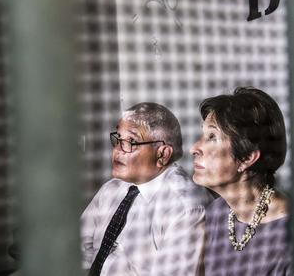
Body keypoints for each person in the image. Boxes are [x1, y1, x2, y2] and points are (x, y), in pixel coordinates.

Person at [81, 102, 212, 276]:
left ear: (162, 154)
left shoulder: (185, 207)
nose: (118, 150)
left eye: (132, 142)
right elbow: (80, 250)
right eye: (118, 138)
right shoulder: (112, 188)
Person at [190, 87, 292, 276]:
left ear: (247, 157)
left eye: (212, 137)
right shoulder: (216, 213)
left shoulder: (291, 235)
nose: (194, 148)